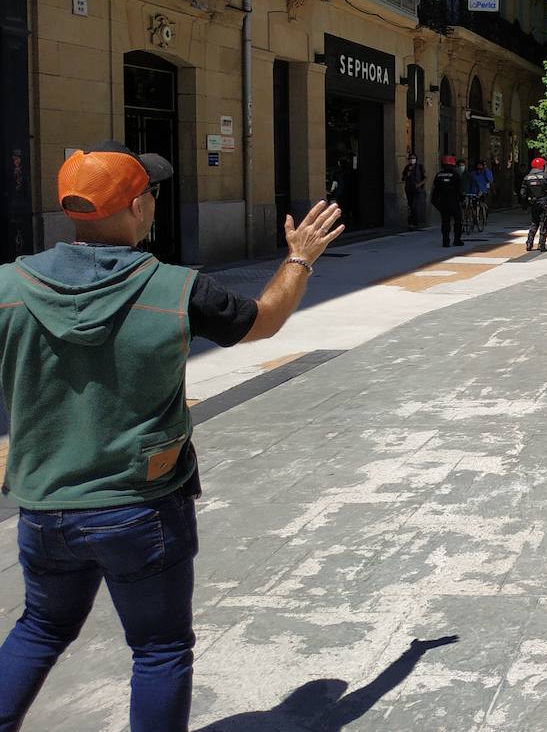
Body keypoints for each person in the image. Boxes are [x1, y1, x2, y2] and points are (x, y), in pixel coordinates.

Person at [0, 141, 343, 731]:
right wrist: (299, 259)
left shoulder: (8, 286)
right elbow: (263, 320)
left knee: (40, 627)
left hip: (43, 504)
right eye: (151, 195)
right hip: (141, 506)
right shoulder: (177, 289)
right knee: (159, 649)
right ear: (137, 207)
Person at [519, 157, 547, 252]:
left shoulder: (527, 177)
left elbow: (522, 193)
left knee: (534, 222)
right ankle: (542, 244)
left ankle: (529, 242)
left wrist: (527, 201)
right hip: (544, 202)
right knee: (544, 223)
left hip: (533, 203)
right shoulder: (546, 176)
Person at [430, 155, 464, 247]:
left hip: (443, 202)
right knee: (458, 221)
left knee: (445, 222)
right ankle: (457, 240)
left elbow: (435, 189)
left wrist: (436, 203)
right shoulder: (456, 175)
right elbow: (459, 189)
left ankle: (445, 241)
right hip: (454, 202)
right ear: (453, 165)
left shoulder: (438, 175)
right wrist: (461, 200)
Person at [402, 153, 426, 230]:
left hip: (417, 190)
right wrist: (407, 174)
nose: (412, 160)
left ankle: (414, 223)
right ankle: (411, 223)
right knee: (410, 206)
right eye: (410, 158)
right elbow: (403, 178)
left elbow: (425, 178)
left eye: (413, 158)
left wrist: (419, 184)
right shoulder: (407, 167)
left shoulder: (420, 167)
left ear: (416, 159)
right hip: (409, 189)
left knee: (414, 206)